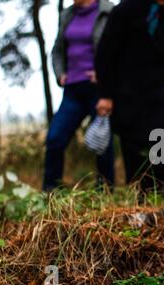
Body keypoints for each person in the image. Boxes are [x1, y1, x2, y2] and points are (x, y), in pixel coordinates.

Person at [95, 0, 164, 191]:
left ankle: (159, 196)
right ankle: (142, 204)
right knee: (138, 156)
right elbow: (105, 54)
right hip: (132, 96)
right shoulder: (126, 9)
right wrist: (106, 94)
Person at [44, 0, 115, 191]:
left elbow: (118, 50)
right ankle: (50, 192)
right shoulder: (67, 15)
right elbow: (57, 51)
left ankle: (106, 191)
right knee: (55, 138)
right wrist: (60, 74)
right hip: (72, 90)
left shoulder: (108, 12)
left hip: (98, 89)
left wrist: (105, 76)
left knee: (102, 143)